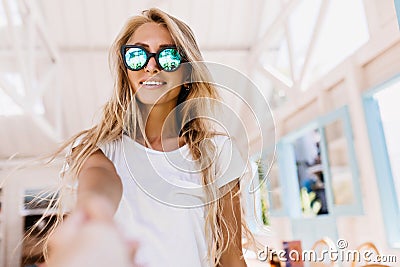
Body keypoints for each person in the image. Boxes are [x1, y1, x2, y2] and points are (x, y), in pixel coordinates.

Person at [47, 7, 252, 267]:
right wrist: (94, 214)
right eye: (137, 55)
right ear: (126, 70)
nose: (151, 65)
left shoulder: (219, 153)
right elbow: (99, 182)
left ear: (187, 73)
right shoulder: (96, 149)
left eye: (168, 56)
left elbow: (232, 259)